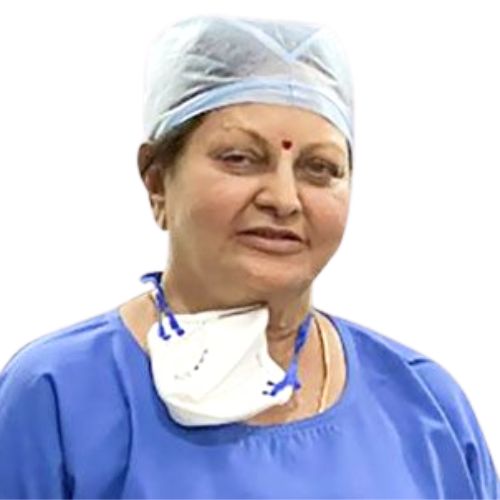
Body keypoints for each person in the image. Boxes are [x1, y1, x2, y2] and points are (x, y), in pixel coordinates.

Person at [0, 14, 498, 499]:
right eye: (239, 158)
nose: (284, 198)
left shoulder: (427, 409)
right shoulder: (58, 400)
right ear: (156, 181)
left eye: (319, 168)